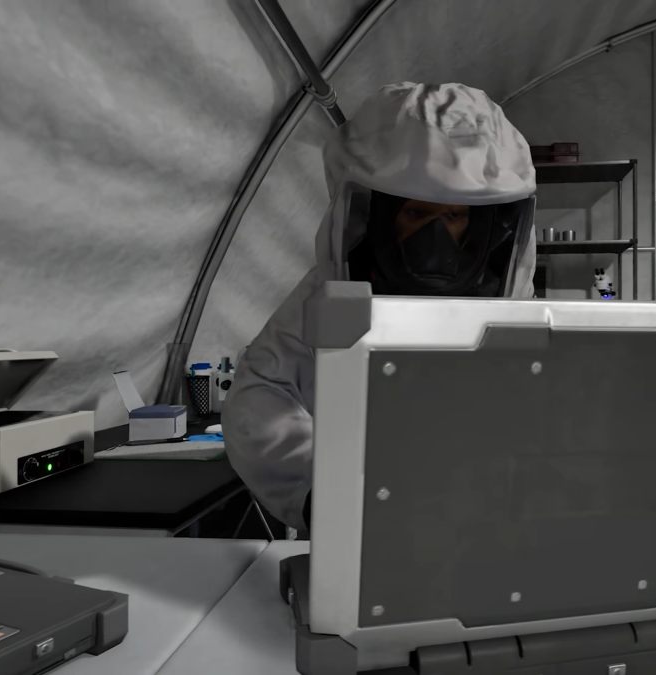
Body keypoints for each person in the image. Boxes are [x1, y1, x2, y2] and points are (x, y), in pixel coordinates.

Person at [223, 82, 538, 532]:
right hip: (365, 524)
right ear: (379, 215)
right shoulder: (334, 290)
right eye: (416, 213)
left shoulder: (508, 301)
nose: (435, 239)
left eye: (453, 216)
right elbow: (261, 393)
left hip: (486, 522)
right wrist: (323, 491)